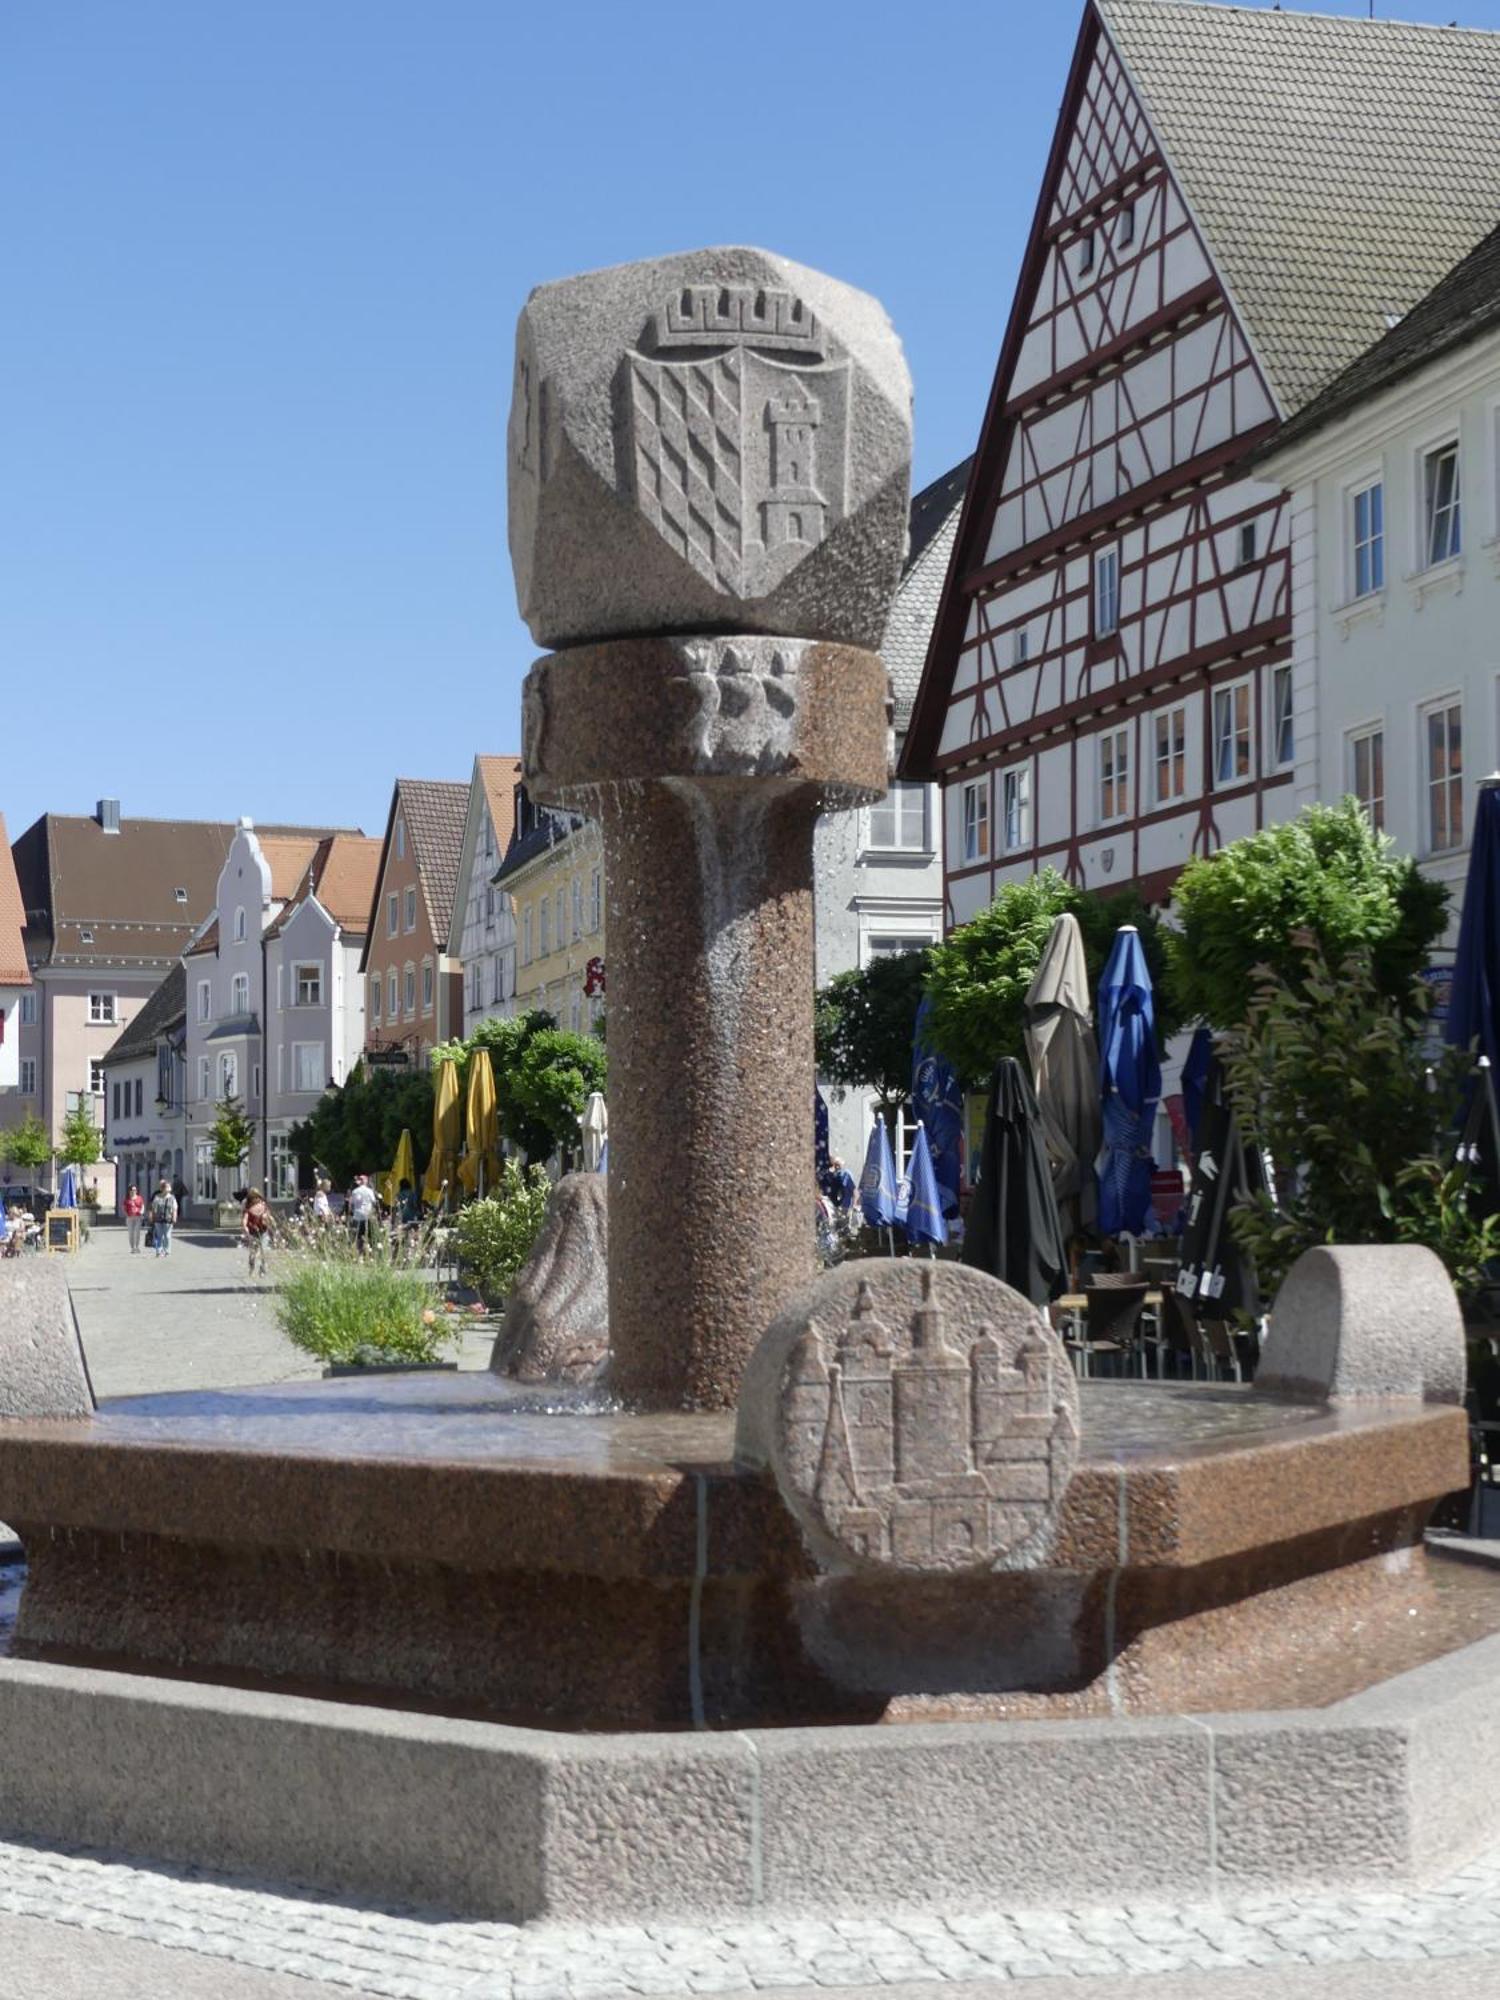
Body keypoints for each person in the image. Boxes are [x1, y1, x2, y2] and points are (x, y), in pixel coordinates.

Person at [242, 1186, 274, 1278]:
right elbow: (244, 1220)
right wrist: (245, 1228)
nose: (256, 1199)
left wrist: (269, 1219)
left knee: (264, 1251)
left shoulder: (264, 1206)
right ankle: (251, 1267)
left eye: (257, 1197)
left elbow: (269, 1216)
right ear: (250, 1199)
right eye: (253, 1197)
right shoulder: (248, 1209)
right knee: (253, 1253)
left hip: (264, 1232)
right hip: (253, 1233)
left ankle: (262, 1270)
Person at [347, 1172, 377, 1253]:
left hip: (357, 1216)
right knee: (369, 1236)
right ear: (366, 1181)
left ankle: (358, 1252)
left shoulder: (355, 1191)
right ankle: (368, 1252)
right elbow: (374, 1202)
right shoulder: (370, 1191)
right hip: (367, 1215)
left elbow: (351, 1204)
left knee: (357, 1237)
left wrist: (352, 1213)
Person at [150, 1178, 178, 1257]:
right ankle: (159, 1251)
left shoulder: (172, 1198)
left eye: (169, 1187)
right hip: (158, 1219)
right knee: (159, 1236)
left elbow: (175, 1208)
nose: (169, 1188)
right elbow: (153, 1208)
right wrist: (152, 1216)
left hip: (168, 1219)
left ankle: (167, 1251)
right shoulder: (157, 1197)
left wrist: (174, 1217)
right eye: (167, 1187)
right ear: (162, 1188)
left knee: (167, 1236)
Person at [123, 1184, 146, 1255]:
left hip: (138, 1217)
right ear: (129, 1191)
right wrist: (127, 1214)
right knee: (131, 1233)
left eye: (135, 1190)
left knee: (137, 1232)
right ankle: (132, 1247)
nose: (134, 1191)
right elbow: (124, 1208)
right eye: (132, 1190)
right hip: (130, 1218)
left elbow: (142, 1206)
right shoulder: (127, 1199)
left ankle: (137, 1247)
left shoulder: (139, 1198)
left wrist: (141, 1212)